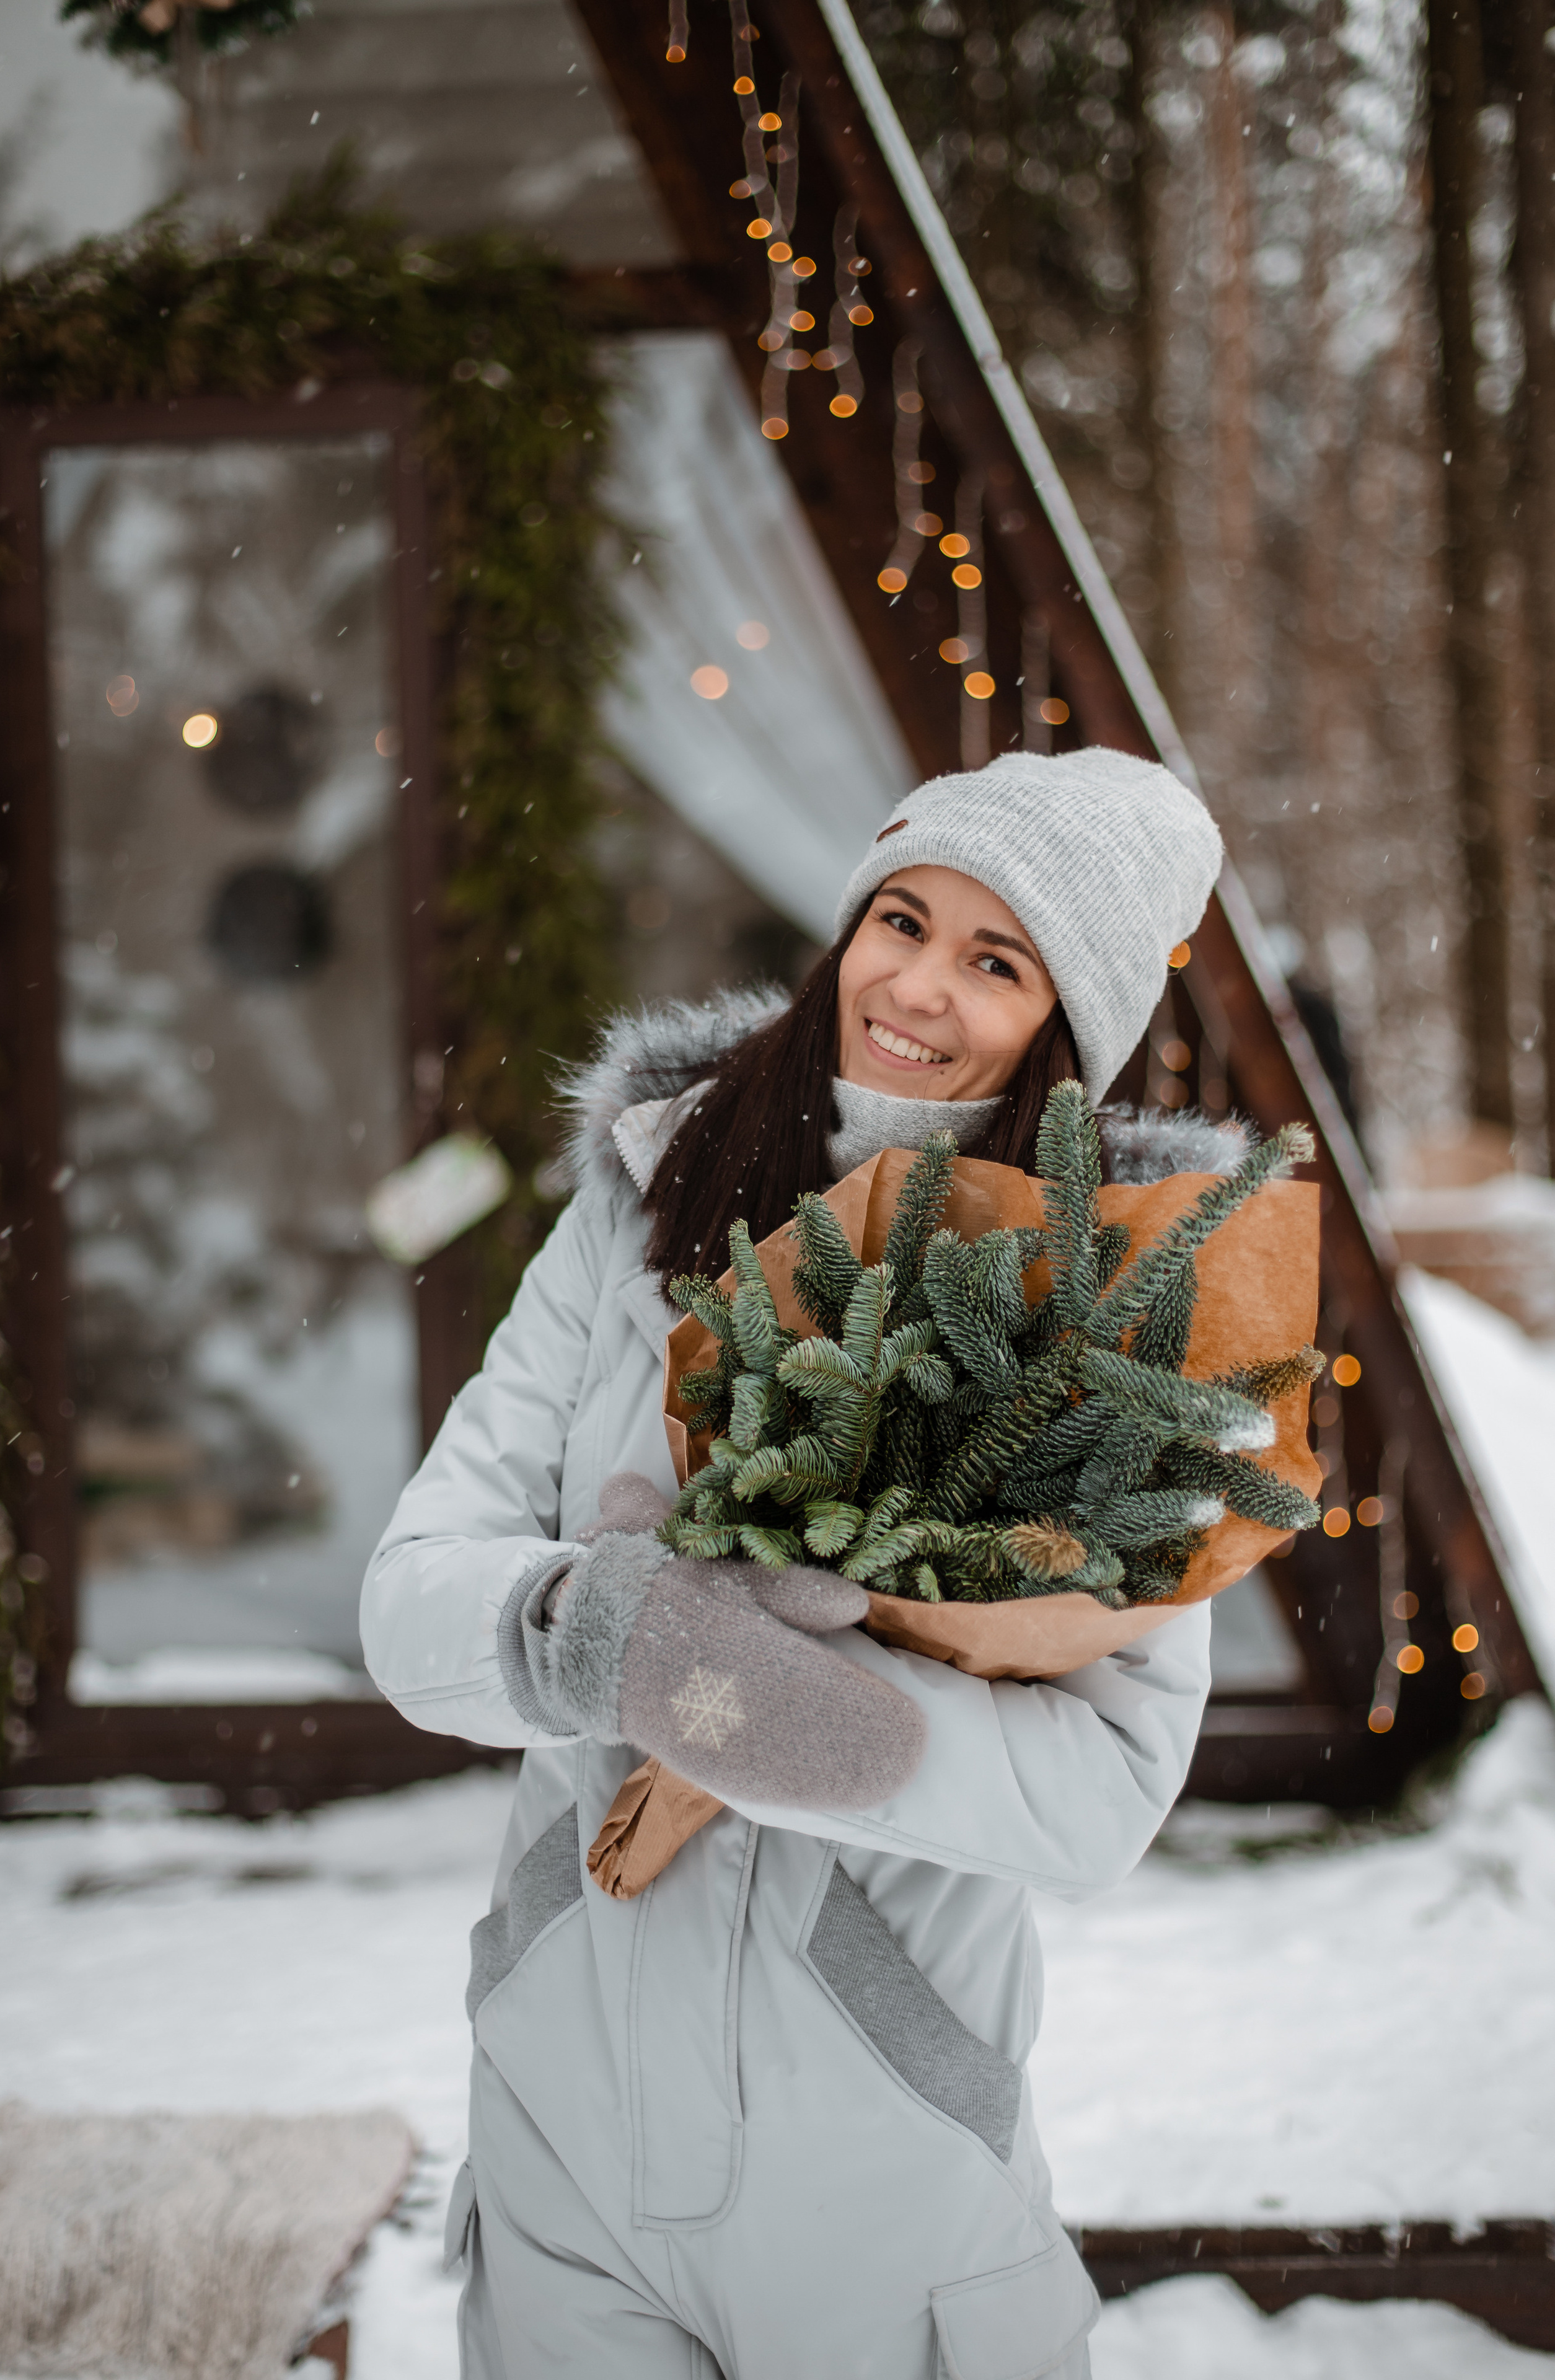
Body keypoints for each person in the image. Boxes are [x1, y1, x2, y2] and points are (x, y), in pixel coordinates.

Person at [361, 747, 1231, 2380]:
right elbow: (414, 1601)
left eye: (997, 960)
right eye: (901, 919)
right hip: (570, 2154)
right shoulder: (633, 1211)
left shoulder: (1112, 1318)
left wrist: (791, 1725)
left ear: (1065, 1021)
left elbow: (1109, 1785)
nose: (916, 986)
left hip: (885, 2179)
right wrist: (596, 1633)